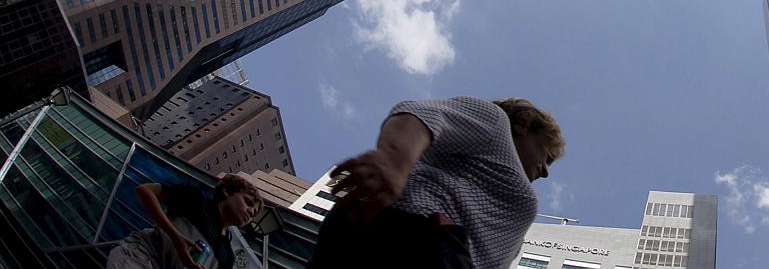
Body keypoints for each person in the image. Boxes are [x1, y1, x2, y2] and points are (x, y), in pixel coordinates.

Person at [309, 96, 565, 269]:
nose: (545, 172)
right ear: (523, 126)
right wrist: (394, 161)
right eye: (547, 156)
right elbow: (420, 116)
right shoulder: (495, 123)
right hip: (418, 237)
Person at [106, 174, 264, 269]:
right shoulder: (194, 199)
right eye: (248, 203)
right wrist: (176, 237)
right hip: (141, 256)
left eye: (254, 214)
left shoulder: (227, 255)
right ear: (226, 191)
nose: (250, 213)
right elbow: (145, 190)